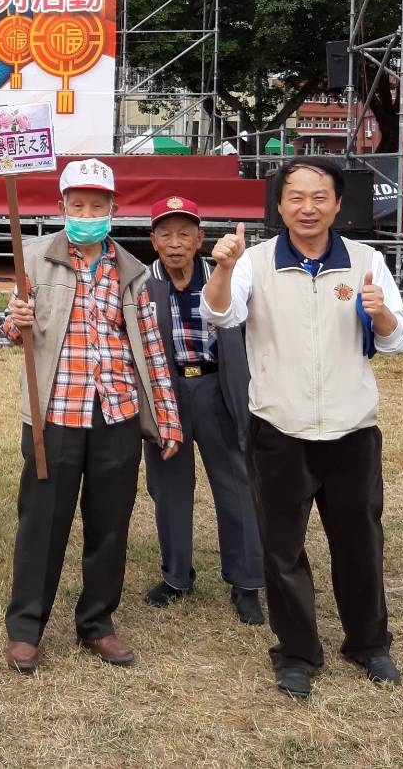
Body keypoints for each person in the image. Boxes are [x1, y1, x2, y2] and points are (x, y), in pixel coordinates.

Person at [202, 157, 403, 700]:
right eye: (296, 196)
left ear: (338, 204)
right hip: (280, 428)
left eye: (320, 196)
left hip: (351, 429)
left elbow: (396, 339)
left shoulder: (366, 261)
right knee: (282, 550)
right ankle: (296, 653)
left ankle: (369, 644)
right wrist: (222, 269)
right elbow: (222, 316)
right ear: (280, 204)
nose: (308, 207)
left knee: (359, 543)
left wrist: (382, 315)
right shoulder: (255, 262)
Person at [1, 159, 182, 675]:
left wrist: (166, 417)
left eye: (96, 205)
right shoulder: (32, 258)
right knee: (43, 521)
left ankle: (97, 622)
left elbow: (149, 348)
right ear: (62, 208)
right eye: (77, 205)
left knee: (110, 522)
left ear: (112, 209)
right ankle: (26, 628)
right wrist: (16, 320)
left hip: (116, 412)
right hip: (54, 413)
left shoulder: (131, 270)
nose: (86, 213)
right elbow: (13, 331)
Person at [141, 196, 263, 626]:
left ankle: (247, 581)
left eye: (185, 234)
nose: (176, 244)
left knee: (236, 482)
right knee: (168, 484)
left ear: (200, 238)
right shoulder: (141, 283)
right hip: (165, 389)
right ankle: (176, 576)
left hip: (216, 385)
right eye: (166, 234)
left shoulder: (227, 276)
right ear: (153, 240)